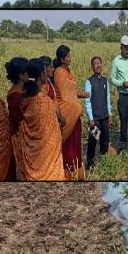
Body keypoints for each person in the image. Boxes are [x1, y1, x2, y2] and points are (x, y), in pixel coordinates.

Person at [12, 58, 66, 181]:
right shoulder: (44, 101)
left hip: (32, 160)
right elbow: (52, 133)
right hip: (48, 161)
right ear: (41, 75)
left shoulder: (23, 99)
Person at [53, 45, 89, 180]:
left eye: (70, 55)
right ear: (62, 59)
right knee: (68, 148)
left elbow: (72, 93)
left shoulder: (69, 72)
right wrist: (74, 105)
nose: (70, 58)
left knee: (76, 147)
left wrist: (82, 94)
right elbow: (65, 96)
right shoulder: (59, 73)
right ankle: (67, 176)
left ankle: (78, 174)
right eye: (68, 56)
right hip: (67, 117)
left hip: (75, 117)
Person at [84, 56, 112, 168]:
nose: (98, 65)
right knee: (93, 141)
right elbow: (87, 102)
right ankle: (90, 163)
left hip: (104, 117)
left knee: (105, 141)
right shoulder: (89, 82)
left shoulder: (105, 80)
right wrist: (91, 118)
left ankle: (103, 161)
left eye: (99, 63)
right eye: (96, 64)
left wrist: (109, 113)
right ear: (92, 67)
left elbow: (108, 98)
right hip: (94, 119)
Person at [39, 55, 65, 127]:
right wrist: (59, 117)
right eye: (50, 67)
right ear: (44, 70)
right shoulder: (42, 87)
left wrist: (60, 115)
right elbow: (48, 106)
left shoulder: (48, 81)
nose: (53, 69)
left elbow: (55, 100)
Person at [5, 57, 28, 136]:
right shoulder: (15, 97)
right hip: (20, 135)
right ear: (21, 75)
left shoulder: (21, 90)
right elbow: (21, 119)